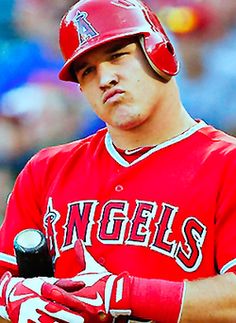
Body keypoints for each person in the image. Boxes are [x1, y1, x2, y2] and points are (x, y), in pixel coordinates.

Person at [0, 0, 236, 322]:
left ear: (160, 52)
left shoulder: (226, 164)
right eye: (88, 71)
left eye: (117, 56)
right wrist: (10, 297)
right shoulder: (45, 170)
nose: (105, 78)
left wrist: (124, 294)